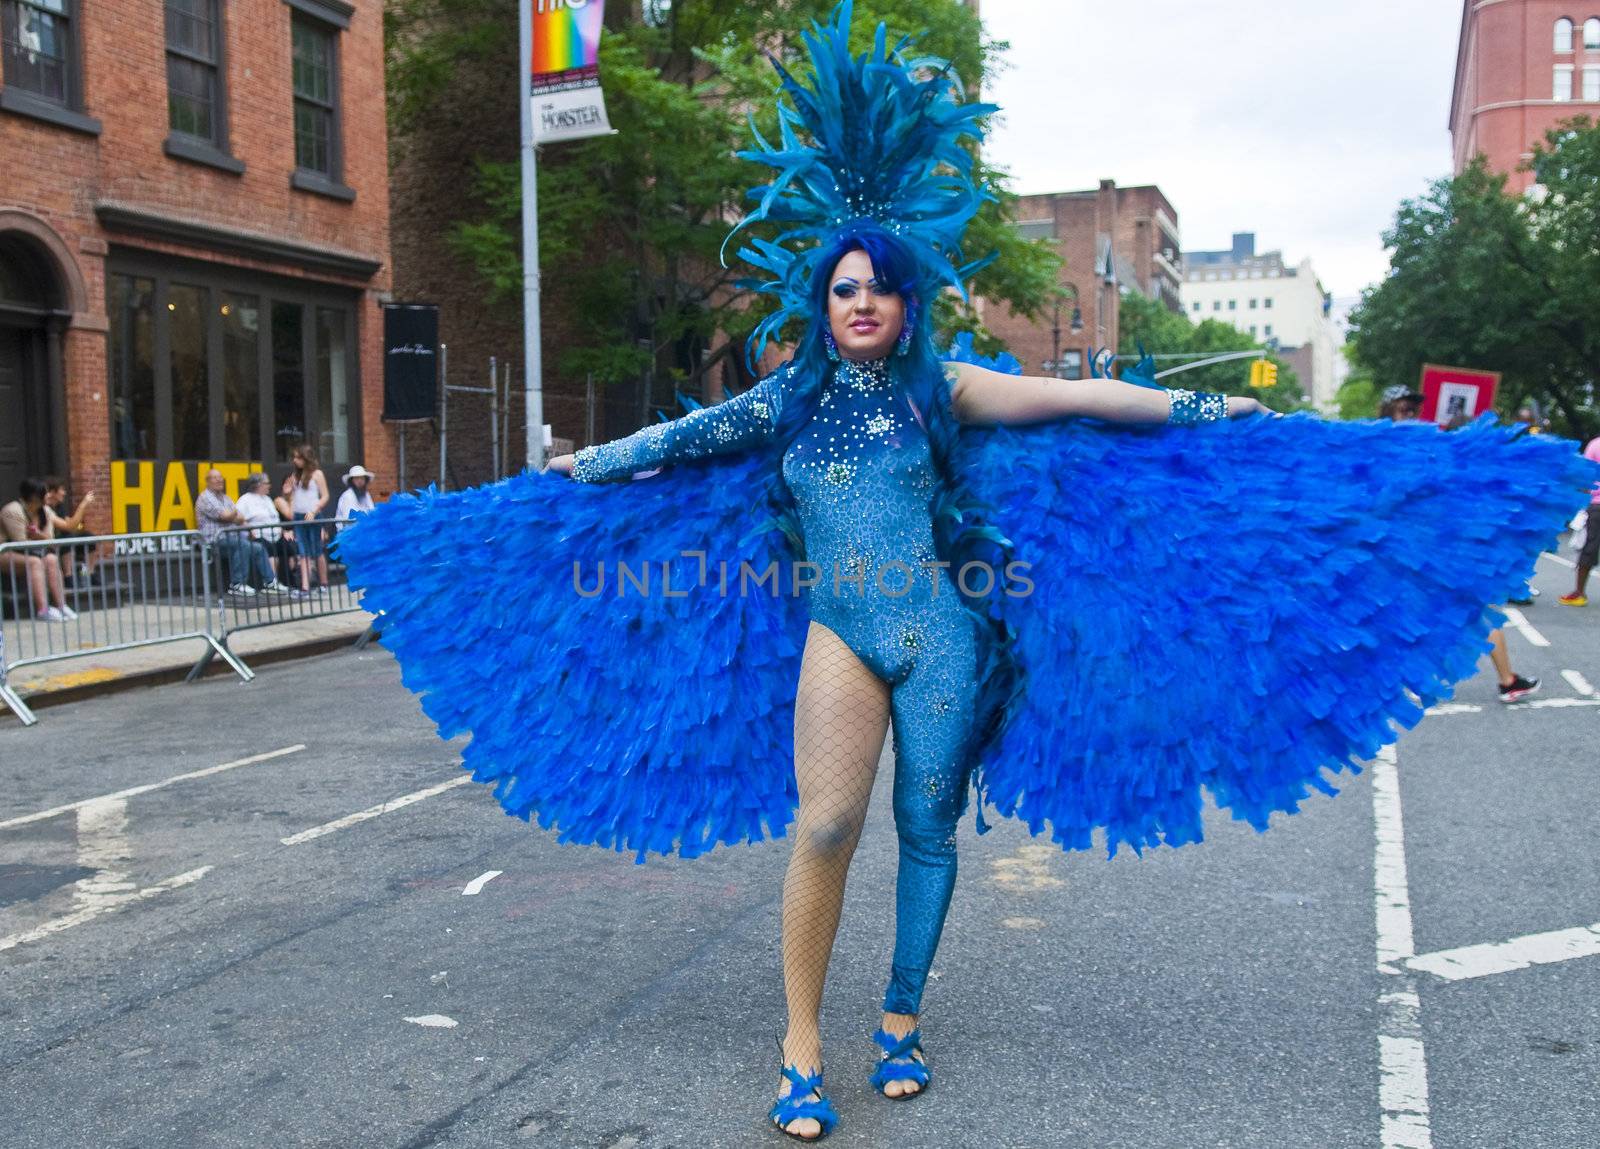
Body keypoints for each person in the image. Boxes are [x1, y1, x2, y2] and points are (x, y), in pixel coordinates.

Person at [335, 6, 1594, 1141]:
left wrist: (1216, 420)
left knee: (925, 828)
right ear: (818, 303)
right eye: (843, 288)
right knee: (826, 823)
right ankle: (798, 1046)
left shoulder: (951, 388)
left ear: (906, 299)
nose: (862, 303)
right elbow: (667, 445)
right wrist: (560, 479)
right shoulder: (787, 399)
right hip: (843, 634)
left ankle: (895, 1017)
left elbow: (1081, 394)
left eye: (880, 287)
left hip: (944, 637)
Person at [1387, 392, 1539, 702]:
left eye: (1415, 408)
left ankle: (1504, 680)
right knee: (1473, 615)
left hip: (1439, 553)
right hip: (1437, 554)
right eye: (1406, 409)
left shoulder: (1435, 460)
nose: (1414, 413)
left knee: (1451, 615)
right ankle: (1506, 681)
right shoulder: (1425, 459)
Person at [195, 470, 288, 597]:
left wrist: (233, 515)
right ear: (208, 481)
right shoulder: (206, 498)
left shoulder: (224, 497)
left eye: (220, 477)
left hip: (230, 539)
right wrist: (233, 513)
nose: (219, 480)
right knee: (242, 545)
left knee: (258, 548)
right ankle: (237, 585)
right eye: (215, 478)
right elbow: (227, 516)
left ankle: (270, 583)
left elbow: (240, 518)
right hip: (213, 541)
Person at [0, 477, 77, 621]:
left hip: (33, 552)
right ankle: (42, 609)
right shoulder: (12, 510)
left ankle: (62, 605)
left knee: (52, 559)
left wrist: (39, 536)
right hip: (4, 553)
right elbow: (20, 543)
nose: (49, 495)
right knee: (35, 562)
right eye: (45, 492)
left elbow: (50, 540)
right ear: (34, 496)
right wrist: (42, 539)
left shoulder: (46, 511)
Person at [282, 445, 330, 597]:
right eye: (294, 458)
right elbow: (294, 498)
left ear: (306, 458)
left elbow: (325, 496)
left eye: (298, 457)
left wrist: (315, 510)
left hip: (312, 514)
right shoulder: (295, 476)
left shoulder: (317, 474)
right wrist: (287, 494)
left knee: (317, 549)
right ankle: (305, 586)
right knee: (303, 551)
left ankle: (323, 583)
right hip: (298, 514)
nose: (295, 461)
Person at [236, 472, 296, 589]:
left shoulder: (268, 499)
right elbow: (238, 517)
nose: (269, 486)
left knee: (289, 548)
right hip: (259, 536)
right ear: (258, 485)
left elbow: (274, 519)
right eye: (267, 483)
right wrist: (249, 530)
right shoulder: (245, 500)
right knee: (269, 549)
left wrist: (283, 531)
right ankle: (271, 583)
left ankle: (291, 583)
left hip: (276, 535)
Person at [1559, 436, 1600, 606]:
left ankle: (1579, 593)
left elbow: (1585, 476)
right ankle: (1579, 592)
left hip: (1596, 505)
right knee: (1589, 548)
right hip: (1597, 504)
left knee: (1589, 548)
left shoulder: (1595, 444)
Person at [41, 477, 96, 583]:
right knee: (66, 537)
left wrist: (78, 526)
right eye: (62, 489)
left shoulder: (59, 507)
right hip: (49, 541)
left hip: (60, 539)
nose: (64, 493)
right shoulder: (45, 507)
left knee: (88, 536)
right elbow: (69, 526)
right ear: (53, 492)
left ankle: (90, 573)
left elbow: (72, 524)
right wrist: (83, 505)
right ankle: (68, 576)